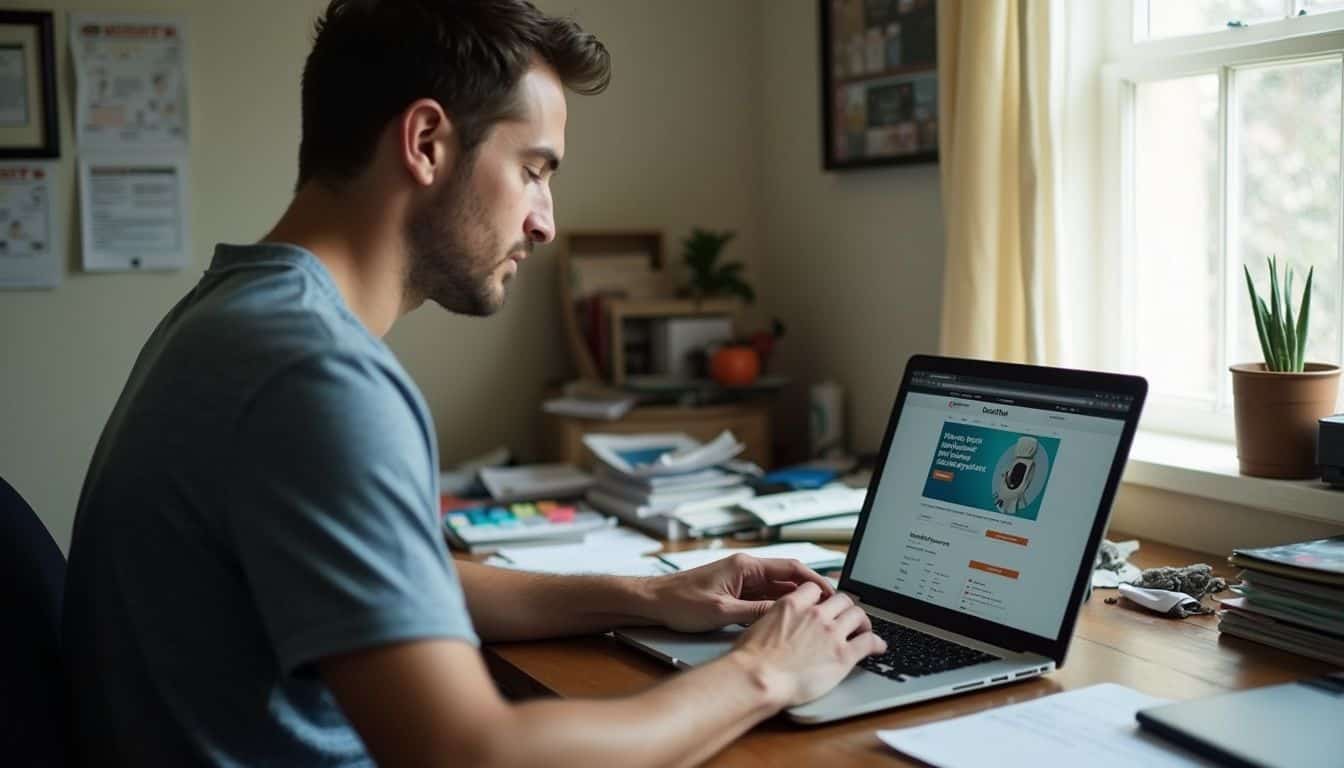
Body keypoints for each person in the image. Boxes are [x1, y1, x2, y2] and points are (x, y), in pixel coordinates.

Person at [61, 2, 886, 765]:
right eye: (533, 169)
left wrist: (648, 592)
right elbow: (472, 754)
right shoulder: (315, 374)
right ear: (425, 143)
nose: (546, 220)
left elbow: (395, 577)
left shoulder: (237, 312)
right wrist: (766, 673)